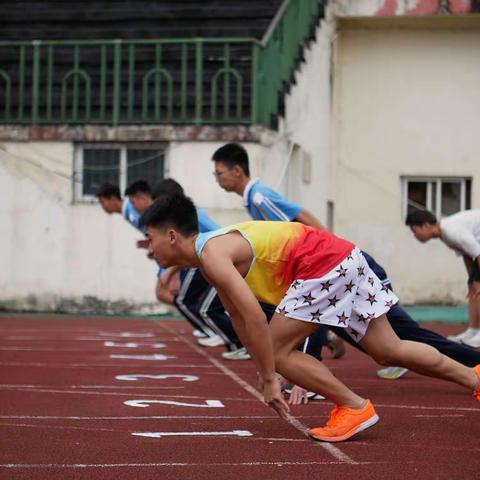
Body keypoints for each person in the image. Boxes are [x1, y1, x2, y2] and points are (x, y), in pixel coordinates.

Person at [139, 194, 480, 442]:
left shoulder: (213, 254)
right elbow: (241, 322)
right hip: (344, 258)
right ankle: (475, 378)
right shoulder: (212, 256)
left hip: (323, 264)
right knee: (388, 349)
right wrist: (264, 371)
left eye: (150, 240)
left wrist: (269, 375)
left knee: (279, 352)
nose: (150, 250)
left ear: (171, 236)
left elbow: (256, 319)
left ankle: (353, 406)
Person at [211, 142, 345, 361]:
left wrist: (329, 243)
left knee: (305, 306)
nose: (217, 179)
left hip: (307, 259)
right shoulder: (253, 197)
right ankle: (324, 338)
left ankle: (309, 361)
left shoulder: (259, 197)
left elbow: (297, 220)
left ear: (237, 170)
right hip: (300, 258)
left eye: (219, 173)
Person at [151, 179, 249, 359]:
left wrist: (171, 272)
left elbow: (220, 234)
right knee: (192, 302)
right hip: (200, 261)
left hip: (213, 259)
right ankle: (219, 334)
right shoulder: (177, 220)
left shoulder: (194, 216)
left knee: (201, 305)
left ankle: (225, 336)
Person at [406, 209, 480, 348]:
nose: (415, 235)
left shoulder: (452, 231)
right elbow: (467, 254)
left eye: (415, 230)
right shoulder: (445, 235)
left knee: (478, 287)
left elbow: (477, 253)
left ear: (426, 225)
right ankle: (473, 330)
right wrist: (471, 280)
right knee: (474, 288)